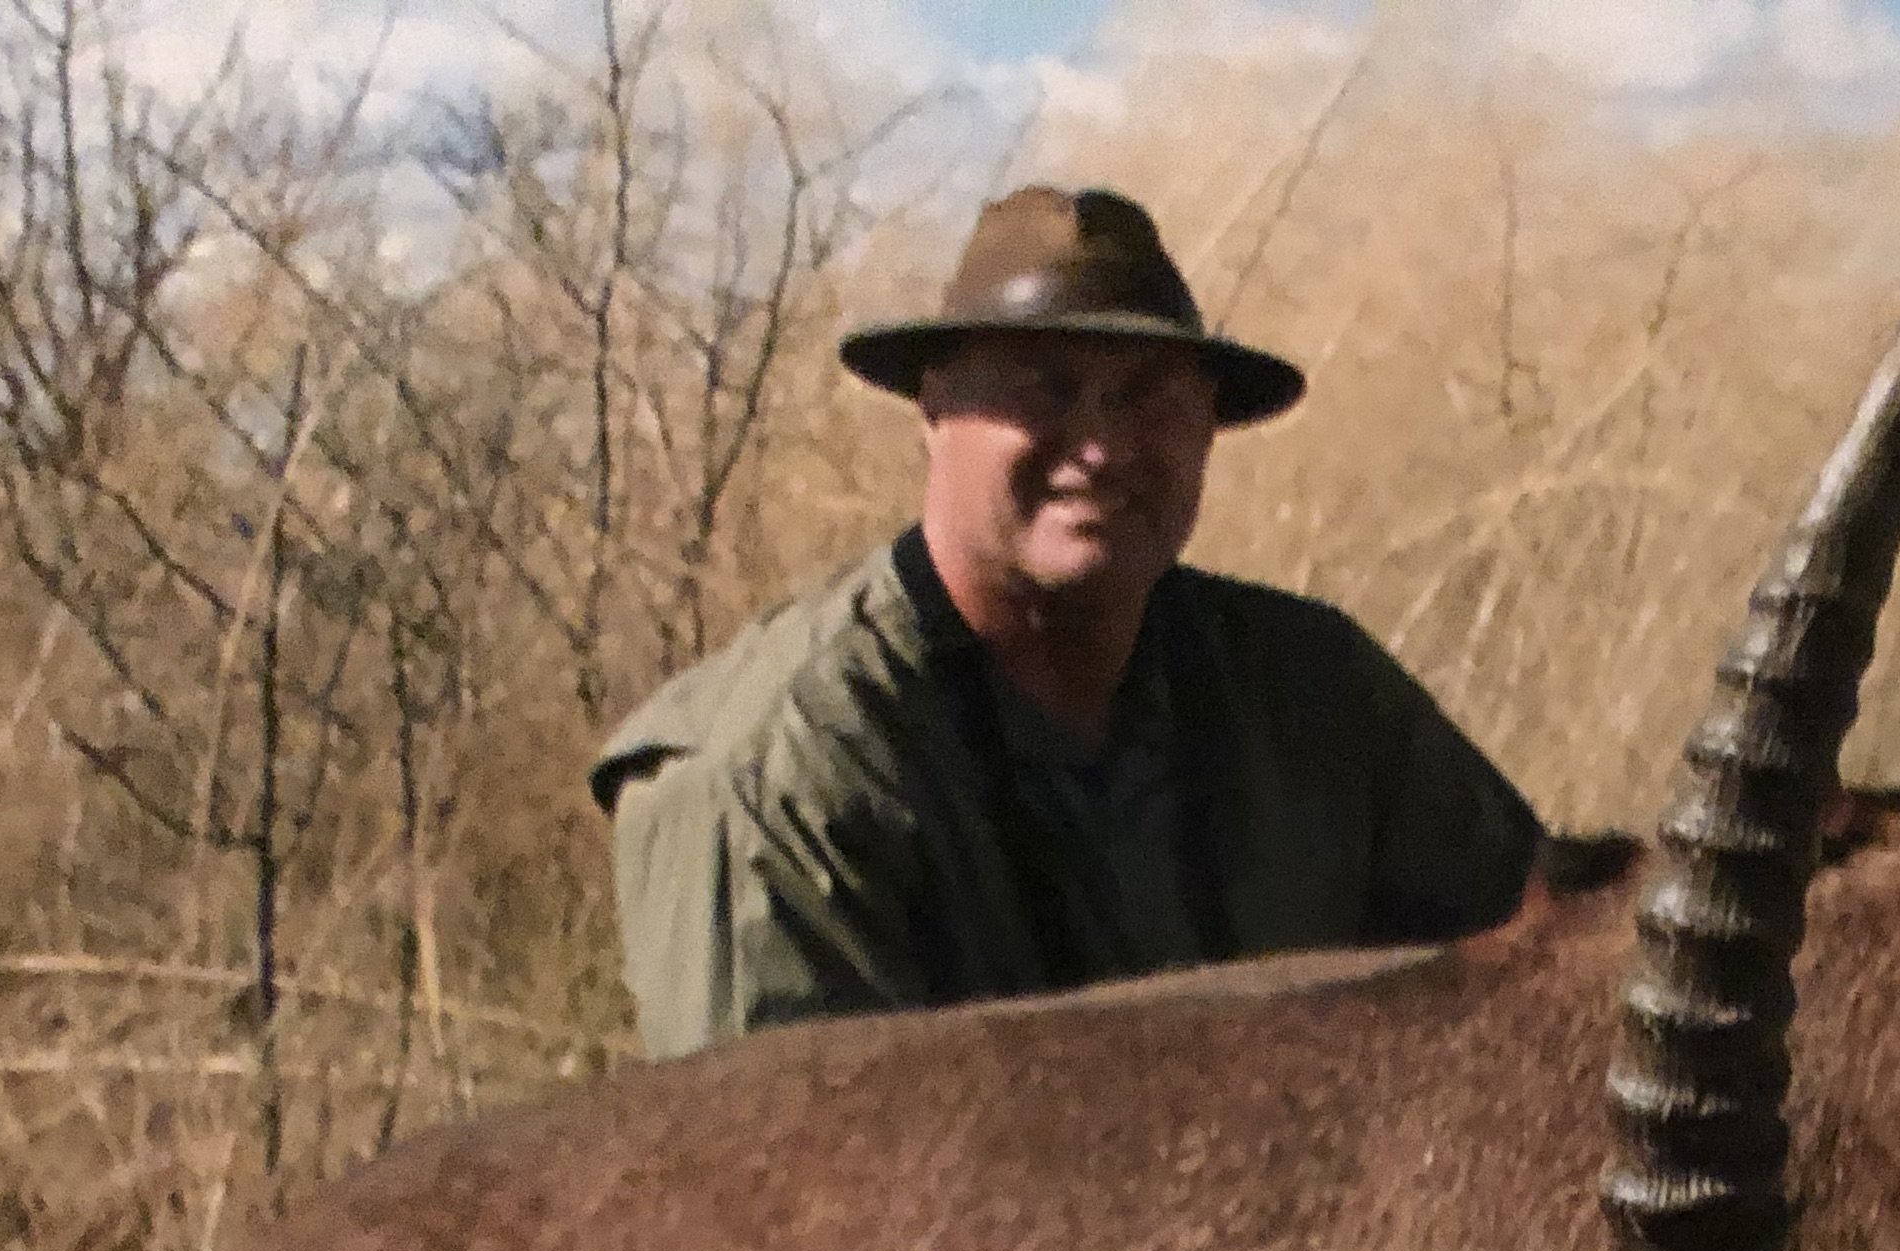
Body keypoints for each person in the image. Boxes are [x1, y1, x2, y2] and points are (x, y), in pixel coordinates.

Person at [592, 187, 1546, 1059]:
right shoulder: (779, 776)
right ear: (934, 409)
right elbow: (781, 1198)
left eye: (1148, 397)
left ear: (1210, 426)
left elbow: (1540, 954)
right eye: (1041, 387)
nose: (1100, 447)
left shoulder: (1312, 691)